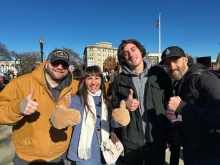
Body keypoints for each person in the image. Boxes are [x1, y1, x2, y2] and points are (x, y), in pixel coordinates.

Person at [0, 49, 80, 165]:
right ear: (47, 63)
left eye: (64, 64)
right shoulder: (20, 83)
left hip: (62, 153)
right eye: (55, 62)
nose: (60, 67)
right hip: (29, 157)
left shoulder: (75, 86)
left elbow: (97, 87)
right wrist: (17, 108)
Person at [51, 65, 130, 165]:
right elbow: (63, 117)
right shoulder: (77, 99)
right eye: (89, 78)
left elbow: (111, 123)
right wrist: (61, 118)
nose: (93, 82)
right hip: (85, 156)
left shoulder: (105, 100)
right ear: (84, 81)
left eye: (97, 78)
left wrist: (120, 119)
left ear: (101, 80)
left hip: (107, 153)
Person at [111, 39, 173, 165]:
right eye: (126, 53)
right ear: (123, 58)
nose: (131, 54)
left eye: (133, 49)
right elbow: (114, 106)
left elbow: (169, 102)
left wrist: (171, 130)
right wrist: (124, 104)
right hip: (131, 141)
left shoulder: (159, 74)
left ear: (140, 50)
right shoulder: (119, 80)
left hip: (156, 138)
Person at [160, 46, 220, 165]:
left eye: (176, 61)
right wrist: (179, 129)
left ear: (186, 60)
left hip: (212, 154)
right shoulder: (180, 83)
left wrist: (183, 107)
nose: (172, 67)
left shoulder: (203, 78)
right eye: (167, 64)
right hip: (192, 152)